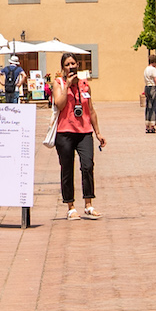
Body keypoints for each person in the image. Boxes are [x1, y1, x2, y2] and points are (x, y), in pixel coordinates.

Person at [52, 57, 105, 219]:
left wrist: (98, 133)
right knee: (67, 169)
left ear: (78, 65)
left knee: (87, 165)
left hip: (84, 131)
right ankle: (70, 206)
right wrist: (67, 85)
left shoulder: (84, 84)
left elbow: (91, 109)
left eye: (73, 64)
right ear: (63, 67)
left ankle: (88, 204)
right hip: (65, 132)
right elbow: (59, 105)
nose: (70, 67)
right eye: (67, 65)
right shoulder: (58, 83)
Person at [142, 56, 156, 133]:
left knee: (148, 106)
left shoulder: (146, 69)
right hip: (152, 88)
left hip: (147, 87)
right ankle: (152, 125)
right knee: (154, 106)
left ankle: (147, 125)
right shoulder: (153, 69)